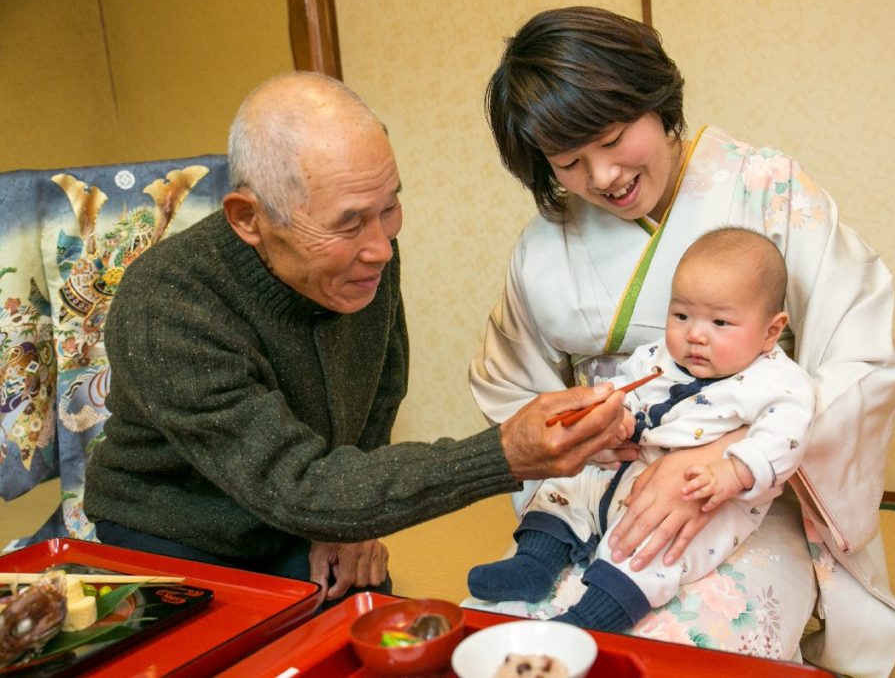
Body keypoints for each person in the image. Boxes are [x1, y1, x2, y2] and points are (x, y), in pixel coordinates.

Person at [469, 6, 895, 676]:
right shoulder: (543, 244)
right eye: (570, 161)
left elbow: (863, 365)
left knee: (677, 644)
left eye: (615, 137)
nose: (605, 176)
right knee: (513, 637)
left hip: (748, 492)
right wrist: (577, 430)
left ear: (655, 101)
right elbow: (512, 386)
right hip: (606, 481)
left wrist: (730, 453)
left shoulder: (771, 191)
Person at [83, 71, 635, 605]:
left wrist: (352, 524)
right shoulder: (169, 302)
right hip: (178, 541)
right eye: (349, 224)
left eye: (389, 207)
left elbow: (379, 394)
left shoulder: (364, 258)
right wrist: (505, 452)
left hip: (308, 516)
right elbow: (294, 486)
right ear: (248, 218)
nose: (381, 249)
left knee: (381, 636)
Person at [468, 228, 815, 633]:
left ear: (771, 330)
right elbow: (624, 389)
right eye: (681, 315)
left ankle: (594, 617)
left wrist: (732, 472)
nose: (695, 335)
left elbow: (787, 435)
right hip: (629, 466)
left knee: (656, 545)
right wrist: (616, 419)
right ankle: (533, 562)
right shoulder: (656, 356)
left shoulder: (778, 382)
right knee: (567, 484)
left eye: (720, 322)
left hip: (700, 493)